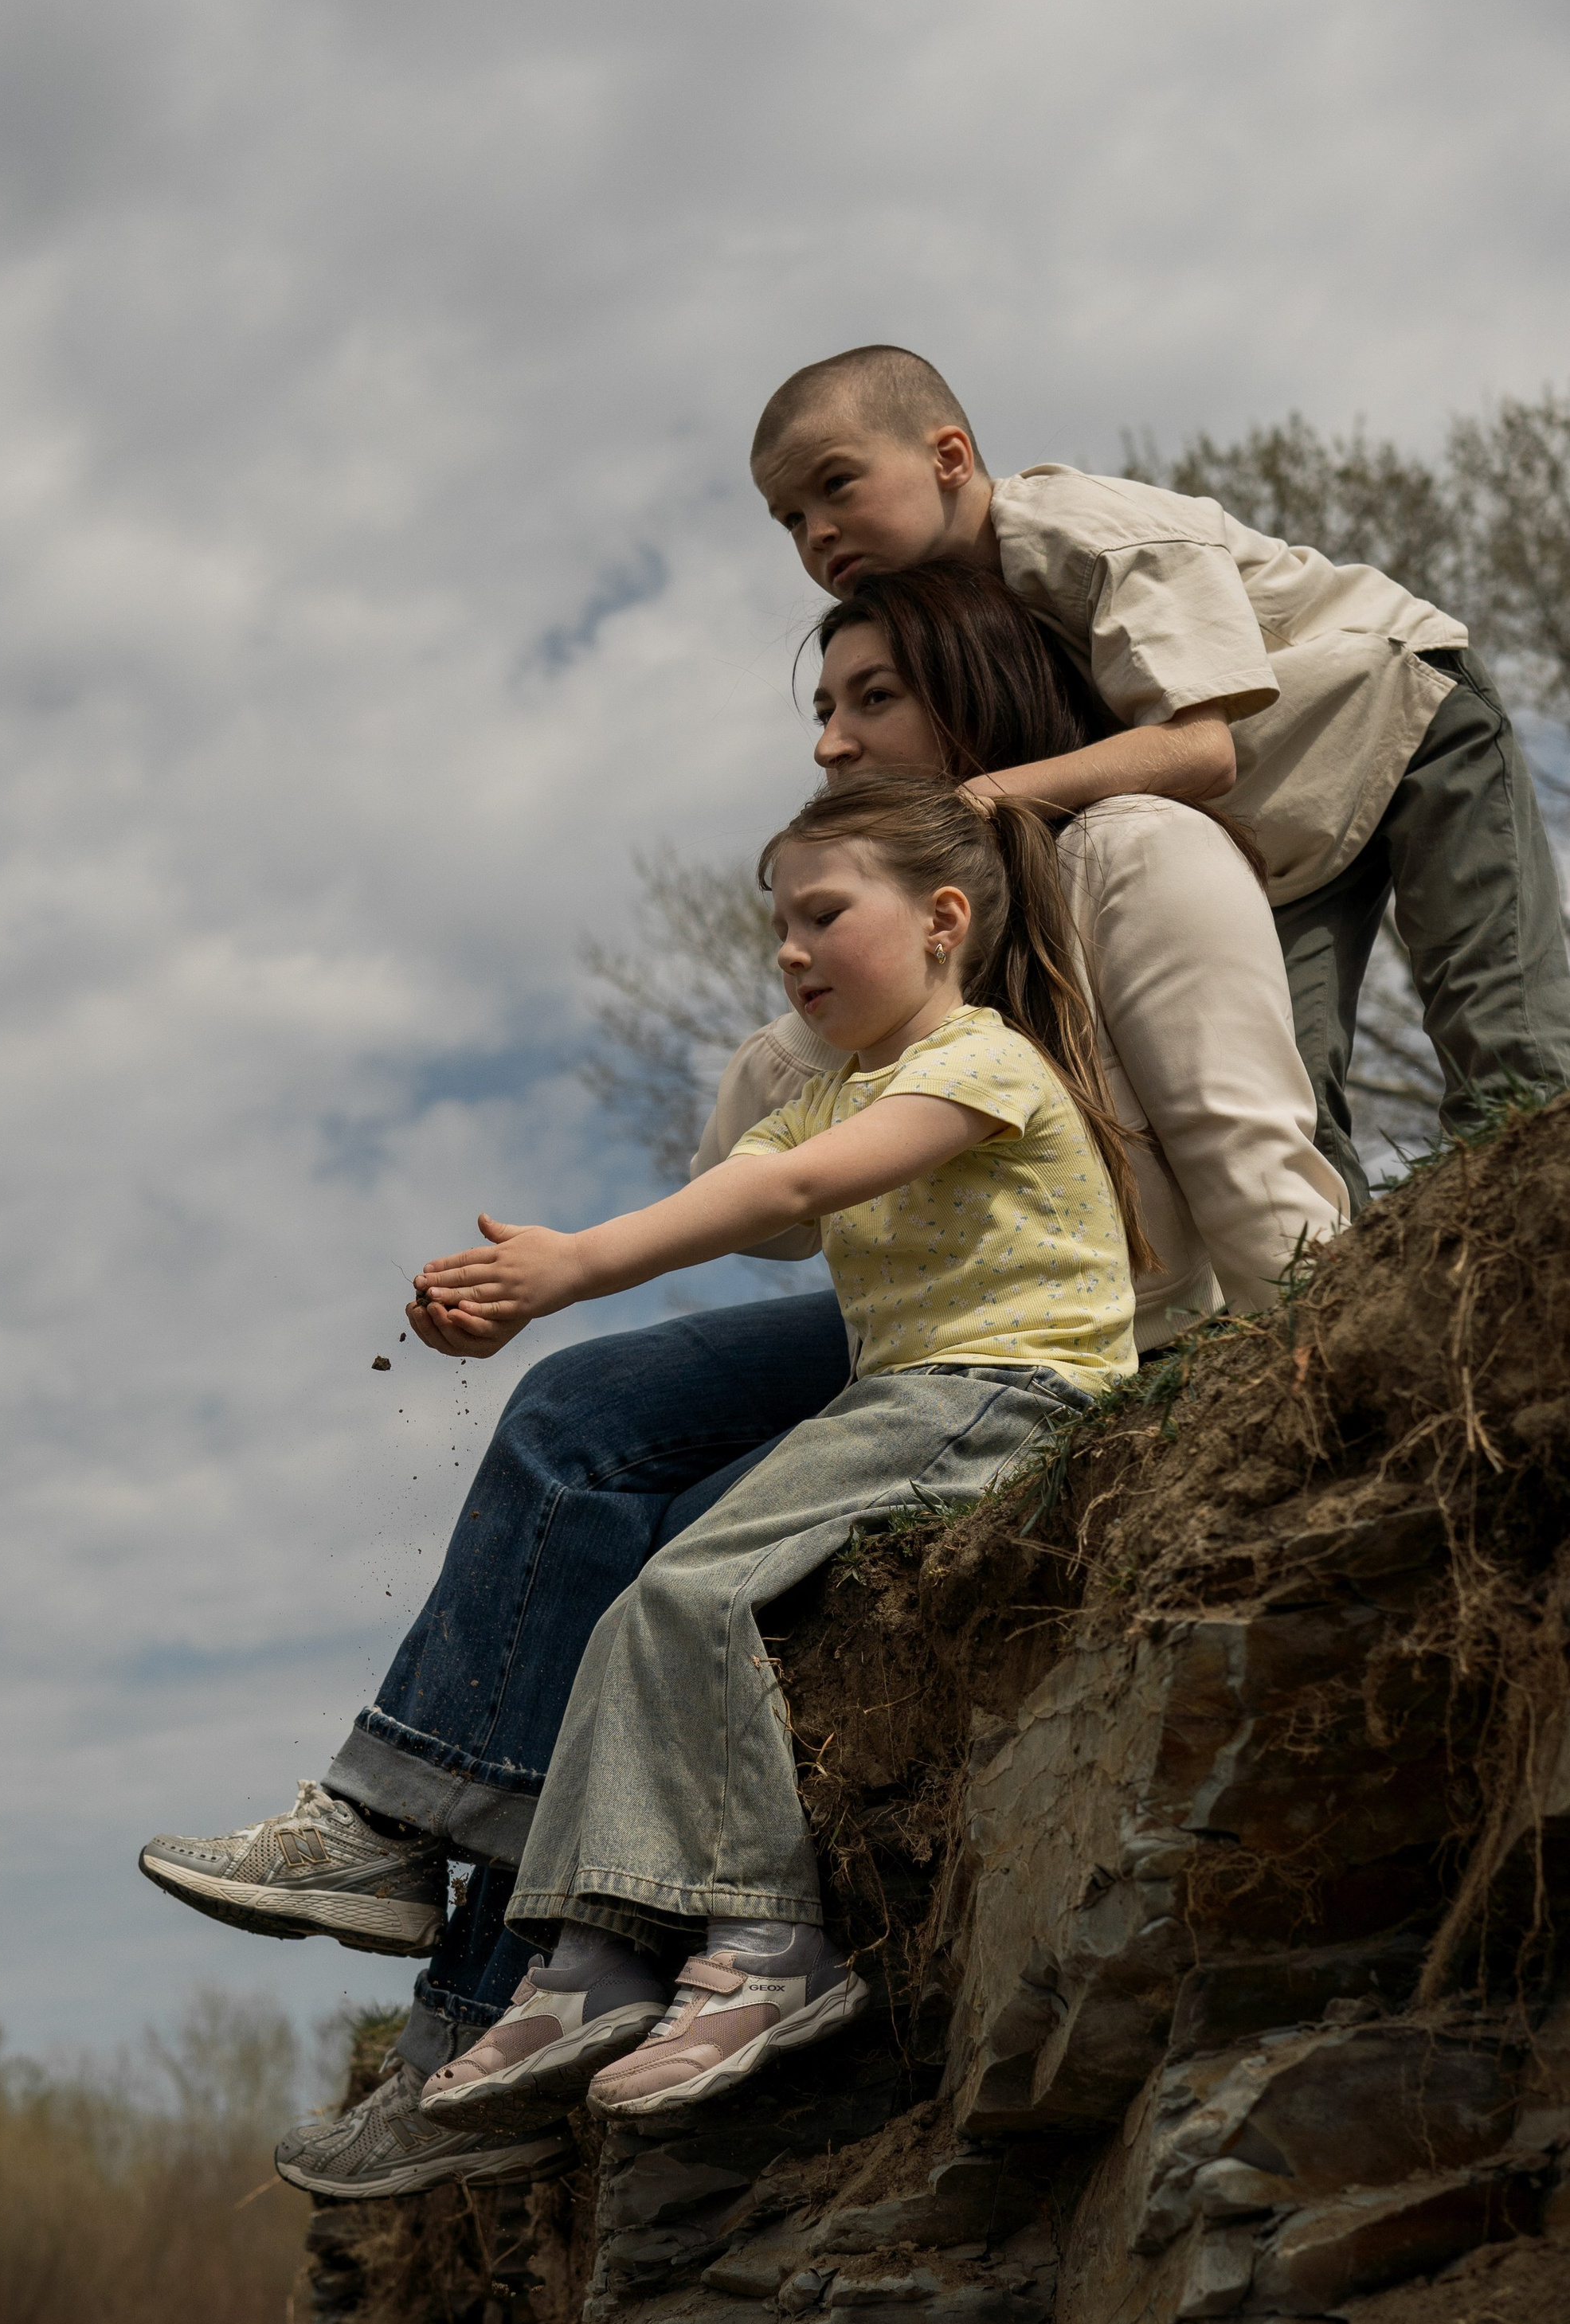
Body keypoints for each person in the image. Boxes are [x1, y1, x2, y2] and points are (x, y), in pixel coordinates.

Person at [141, 569, 1342, 2200]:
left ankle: (671, 1959)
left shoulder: (1096, 900)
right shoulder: (849, 1045)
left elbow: (830, 1193)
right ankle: (430, 1873)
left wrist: (1310, 1371)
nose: (835, 741)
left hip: (1045, 1359)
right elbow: (754, 1186)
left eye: (872, 703)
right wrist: (531, 1273)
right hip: (900, 1361)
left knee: (675, 1584)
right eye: (819, 713)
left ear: (948, 886)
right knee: (577, 1440)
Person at [407, 771, 1137, 2130]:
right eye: (776, 928)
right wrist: (498, 1292)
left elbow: (794, 1191)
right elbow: (744, 1193)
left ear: (943, 919)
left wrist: (575, 1270)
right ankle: (591, 1961)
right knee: (643, 1604)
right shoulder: (827, 1093)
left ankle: (763, 1948)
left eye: (822, 914)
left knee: (694, 1594)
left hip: (1014, 1385)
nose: (790, 950)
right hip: (911, 1398)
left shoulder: (978, 1058)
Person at [750, 343, 1570, 1211]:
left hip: (1403, 721)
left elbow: (1198, 749)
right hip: (1264, 826)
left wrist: (986, 797)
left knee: (1501, 1039)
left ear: (948, 458)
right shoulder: (968, 626)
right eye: (790, 519)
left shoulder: (1095, 537)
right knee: (1274, 1093)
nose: (818, 533)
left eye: (835, 485)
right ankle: (1325, 1311)